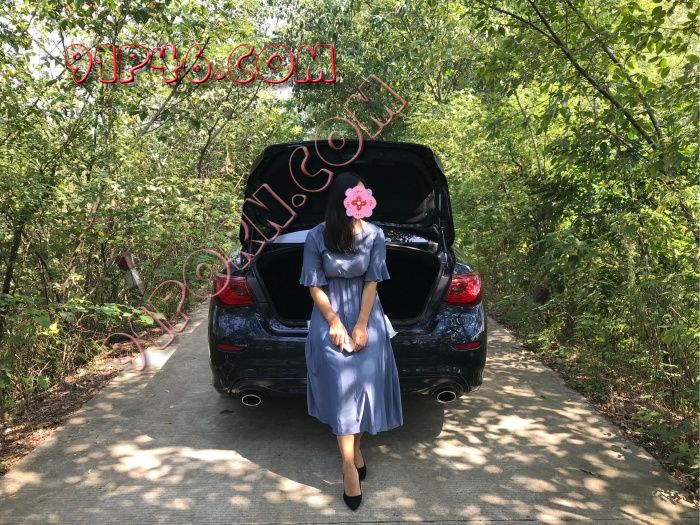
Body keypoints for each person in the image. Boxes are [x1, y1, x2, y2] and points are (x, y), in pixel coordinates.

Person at [299, 171, 404, 511]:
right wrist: (334, 322)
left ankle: (355, 449)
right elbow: (314, 284)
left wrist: (360, 325)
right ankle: (348, 467)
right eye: (354, 195)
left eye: (363, 195)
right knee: (342, 392)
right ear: (341, 200)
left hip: (366, 312)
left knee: (363, 390)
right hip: (328, 314)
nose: (359, 201)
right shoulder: (317, 235)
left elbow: (373, 281)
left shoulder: (375, 234)